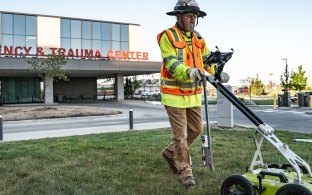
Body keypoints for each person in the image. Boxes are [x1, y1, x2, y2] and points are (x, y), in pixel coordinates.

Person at [157, 0, 229, 187]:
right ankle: (185, 171)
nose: (193, 19)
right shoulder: (168, 36)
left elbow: (207, 60)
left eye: (195, 16)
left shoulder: (198, 38)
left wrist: (218, 72)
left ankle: (170, 152)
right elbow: (171, 62)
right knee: (180, 135)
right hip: (173, 94)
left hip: (193, 94)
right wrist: (188, 71)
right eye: (189, 15)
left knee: (196, 129)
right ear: (178, 16)